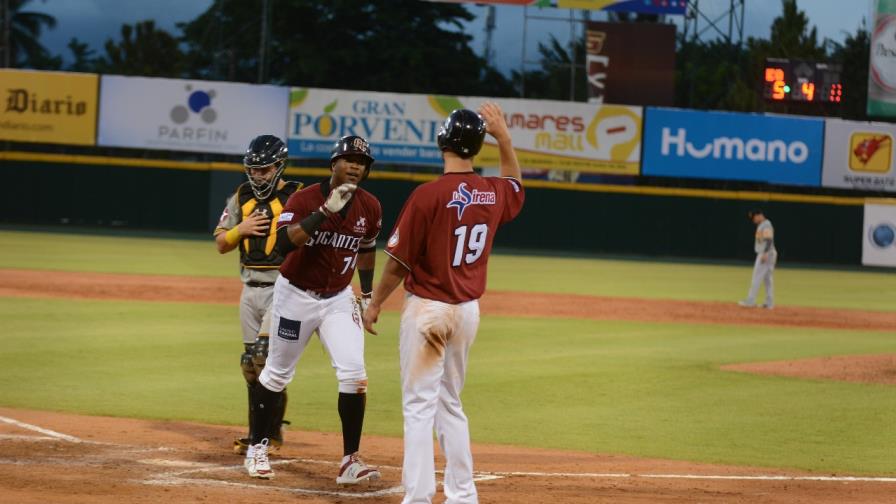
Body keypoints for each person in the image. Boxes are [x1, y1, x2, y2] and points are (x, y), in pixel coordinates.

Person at [362, 103, 524, 504]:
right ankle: (463, 496)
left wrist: (375, 303)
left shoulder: (428, 194)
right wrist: (504, 139)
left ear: (442, 140)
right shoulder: (491, 191)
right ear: (477, 145)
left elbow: (398, 263)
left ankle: (417, 497)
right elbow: (516, 185)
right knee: (450, 403)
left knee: (419, 407)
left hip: (428, 311)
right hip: (467, 311)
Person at [244, 135, 382, 484]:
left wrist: (366, 293)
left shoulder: (371, 206)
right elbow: (284, 244)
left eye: (362, 162)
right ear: (333, 163)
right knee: (276, 373)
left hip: (338, 298)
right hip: (296, 296)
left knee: (354, 376)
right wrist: (324, 213)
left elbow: (366, 249)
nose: (355, 166)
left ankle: (350, 461)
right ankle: (257, 448)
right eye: (348, 159)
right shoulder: (305, 198)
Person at [214, 134, 301, 455]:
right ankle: (264, 432)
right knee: (249, 365)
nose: (258, 176)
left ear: (279, 166)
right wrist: (242, 229)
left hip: (283, 288)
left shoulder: (297, 196)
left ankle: (265, 437)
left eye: (264, 170)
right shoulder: (240, 197)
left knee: (264, 357)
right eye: (253, 170)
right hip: (249, 290)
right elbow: (222, 242)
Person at [738, 209, 777, 309]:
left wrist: (765, 253)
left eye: (754, 217)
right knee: (768, 279)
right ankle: (769, 303)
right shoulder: (763, 225)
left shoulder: (766, 224)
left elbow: (769, 239)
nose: (753, 220)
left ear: (760, 215)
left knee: (757, 277)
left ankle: (751, 301)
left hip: (765, 253)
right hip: (769, 253)